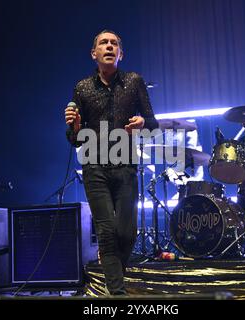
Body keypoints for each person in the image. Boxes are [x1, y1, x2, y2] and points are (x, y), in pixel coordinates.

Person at [64, 30, 158, 295]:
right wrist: (76, 126)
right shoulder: (82, 87)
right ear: (94, 54)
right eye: (103, 43)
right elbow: (73, 139)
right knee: (106, 231)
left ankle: (114, 274)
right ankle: (118, 294)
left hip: (125, 164)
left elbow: (153, 124)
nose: (109, 46)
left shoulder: (134, 81)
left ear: (121, 54)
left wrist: (142, 122)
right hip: (94, 167)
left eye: (114, 43)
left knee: (127, 233)